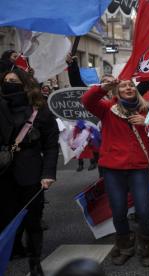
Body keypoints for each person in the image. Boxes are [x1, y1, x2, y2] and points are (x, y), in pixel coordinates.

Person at [81, 79, 149, 267]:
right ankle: (125, 247)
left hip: (139, 168)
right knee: (118, 211)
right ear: (117, 91)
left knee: (144, 211)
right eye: (123, 86)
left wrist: (147, 122)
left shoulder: (147, 109)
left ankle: (147, 247)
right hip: (113, 169)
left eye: (131, 85)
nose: (128, 88)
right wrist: (102, 88)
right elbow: (87, 101)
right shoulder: (107, 107)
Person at [0, 68, 59, 276]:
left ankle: (35, 262)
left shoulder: (39, 110)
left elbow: (51, 145)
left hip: (31, 173)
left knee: (33, 220)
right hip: (3, 173)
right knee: (6, 218)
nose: (8, 83)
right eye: (6, 80)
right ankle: (13, 250)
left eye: (13, 81)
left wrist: (48, 173)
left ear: (25, 84)